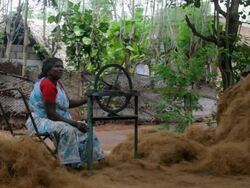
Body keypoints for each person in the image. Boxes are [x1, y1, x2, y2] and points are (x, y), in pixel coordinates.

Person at [26, 57, 104, 167]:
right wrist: (75, 123)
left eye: (62, 67)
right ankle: (68, 165)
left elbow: (67, 103)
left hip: (53, 119)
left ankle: (91, 160)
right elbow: (51, 114)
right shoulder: (47, 85)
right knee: (68, 130)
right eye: (57, 66)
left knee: (88, 129)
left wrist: (87, 99)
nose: (60, 69)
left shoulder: (58, 84)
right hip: (41, 121)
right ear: (48, 70)